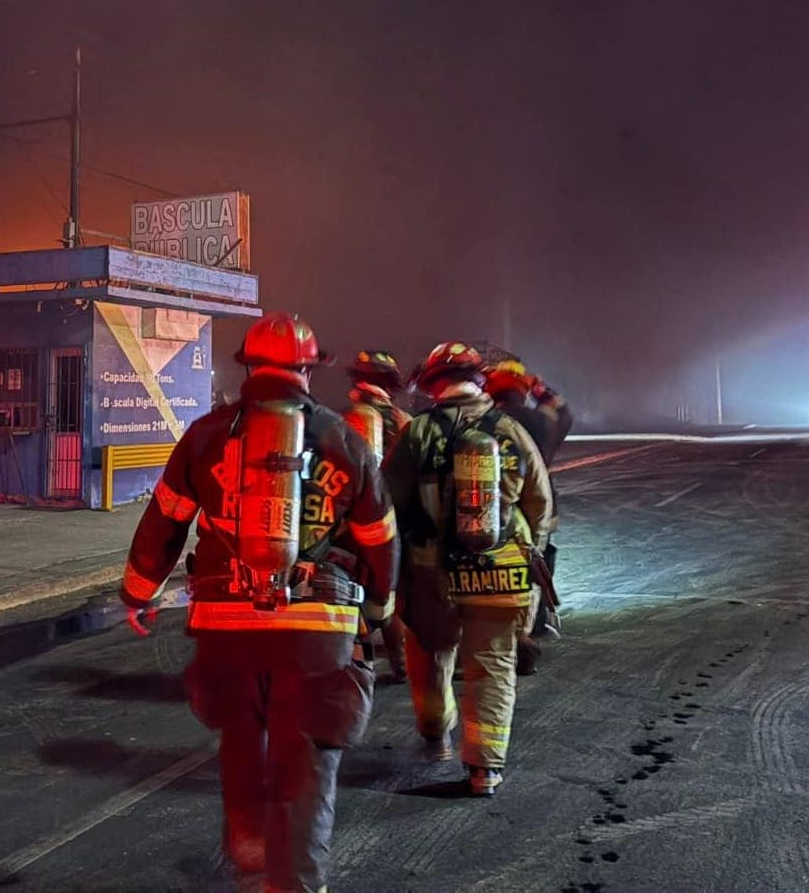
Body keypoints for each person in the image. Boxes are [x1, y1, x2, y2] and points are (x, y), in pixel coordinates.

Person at [119, 312, 399, 893]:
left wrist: (138, 594)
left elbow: (165, 522)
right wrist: (378, 609)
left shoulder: (205, 436)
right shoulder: (344, 439)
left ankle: (250, 859)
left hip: (226, 629)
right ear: (307, 370)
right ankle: (294, 882)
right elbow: (379, 539)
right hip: (317, 631)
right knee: (306, 765)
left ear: (248, 367)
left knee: (242, 745)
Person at [383, 341, 552, 795]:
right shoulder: (512, 431)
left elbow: (388, 503)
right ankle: (484, 770)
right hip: (502, 571)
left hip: (432, 571)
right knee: (492, 667)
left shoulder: (417, 432)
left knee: (431, 652)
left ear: (432, 384)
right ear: (479, 380)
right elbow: (540, 504)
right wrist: (529, 561)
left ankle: (436, 731)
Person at [483, 354, 573, 667]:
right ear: (522, 390)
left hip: (496, 506)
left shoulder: (485, 421)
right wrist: (542, 390)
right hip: (538, 501)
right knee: (539, 558)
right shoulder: (541, 421)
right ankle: (536, 620)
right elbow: (565, 415)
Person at [342, 350, 412, 682]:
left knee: (355, 589)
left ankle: (358, 664)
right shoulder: (405, 421)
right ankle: (401, 660)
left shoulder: (344, 422)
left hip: (352, 524)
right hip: (397, 522)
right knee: (390, 589)